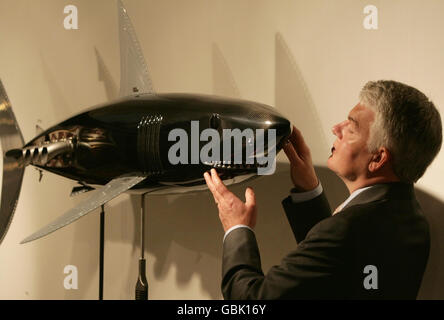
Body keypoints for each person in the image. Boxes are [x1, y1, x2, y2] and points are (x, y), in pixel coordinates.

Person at [204, 80, 442, 299]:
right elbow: (338, 271)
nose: (336, 129)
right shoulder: (412, 218)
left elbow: (253, 300)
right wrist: (309, 189)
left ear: (378, 158)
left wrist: (237, 228)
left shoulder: (347, 229)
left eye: (352, 127)